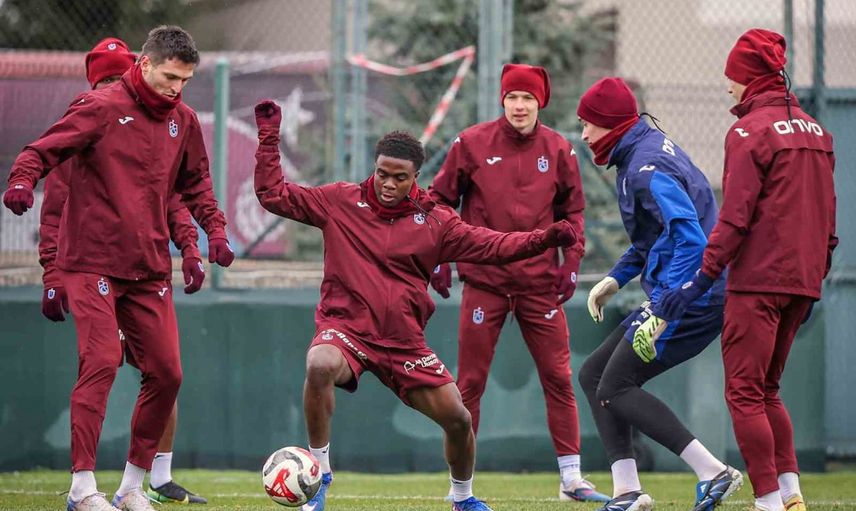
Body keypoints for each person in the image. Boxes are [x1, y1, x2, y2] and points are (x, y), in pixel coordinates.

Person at [253, 99, 578, 511]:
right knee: (319, 363)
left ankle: (463, 498)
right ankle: (320, 475)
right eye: (382, 174)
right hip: (348, 331)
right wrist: (268, 138)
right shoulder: (339, 201)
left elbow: (494, 245)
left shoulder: (437, 221)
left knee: (459, 419)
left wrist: (544, 239)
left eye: (399, 177)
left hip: (403, 342)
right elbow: (273, 195)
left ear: (416, 178)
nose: (388, 184)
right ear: (374, 168)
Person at [2, 26, 234, 511]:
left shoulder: (184, 120)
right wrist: (22, 180)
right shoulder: (100, 106)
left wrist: (211, 234)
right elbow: (40, 152)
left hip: (148, 267)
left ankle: (132, 488)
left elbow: (194, 186)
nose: (177, 88)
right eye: (170, 77)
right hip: (91, 262)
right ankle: (82, 489)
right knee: (103, 361)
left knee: (167, 373)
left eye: (186, 80)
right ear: (144, 64)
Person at [654, 29, 837, 511]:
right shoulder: (818, 132)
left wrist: (699, 280)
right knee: (769, 390)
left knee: (744, 393)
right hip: (803, 280)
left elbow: (734, 219)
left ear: (750, 78)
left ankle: (768, 501)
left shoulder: (747, 132)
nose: (728, 87)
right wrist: (817, 271)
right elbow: (829, 215)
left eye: (732, 77)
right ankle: (791, 495)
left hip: (757, 281)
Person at [428, 63, 607, 503]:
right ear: (502, 100)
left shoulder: (560, 149)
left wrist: (572, 261)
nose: (520, 105)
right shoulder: (470, 143)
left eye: (528, 97)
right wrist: (438, 257)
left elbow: (573, 211)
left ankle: (571, 479)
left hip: (538, 284)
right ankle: (460, 488)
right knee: (469, 385)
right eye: (512, 97)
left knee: (558, 378)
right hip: (484, 281)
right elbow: (438, 200)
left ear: (540, 102)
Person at [574, 77, 743, 511]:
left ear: (611, 122)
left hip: (691, 299)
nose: (584, 134)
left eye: (588, 123)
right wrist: (616, 278)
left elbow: (691, 240)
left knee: (615, 385)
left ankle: (713, 471)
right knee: (594, 376)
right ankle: (627, 491)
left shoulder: (646, 168)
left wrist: (666, 305)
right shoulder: (640, 151)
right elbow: (656, 237)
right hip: (683, 293)